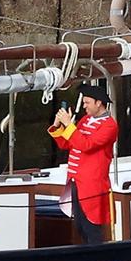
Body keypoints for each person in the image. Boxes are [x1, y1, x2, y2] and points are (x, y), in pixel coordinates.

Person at [49, 84, 119, 245]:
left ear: (98, 103)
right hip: (76, 181)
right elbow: (66, 144)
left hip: (92, 184)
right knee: (79, 225)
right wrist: (59, 125)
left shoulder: (109, 125)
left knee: (91, 226)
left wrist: (69, 125)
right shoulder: (86, 120)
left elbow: (86, 145)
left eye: (87, 102)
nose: (84, 106)